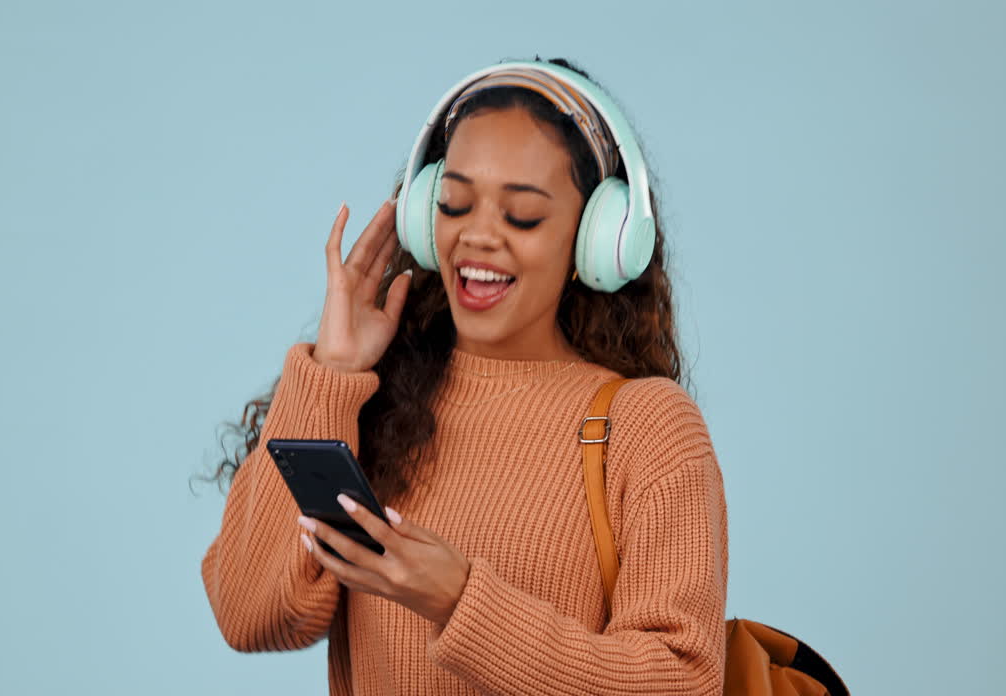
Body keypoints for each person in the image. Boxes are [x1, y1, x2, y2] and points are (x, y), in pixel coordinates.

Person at [200, 56, 729, 695]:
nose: (477, 236)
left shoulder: (646, 427)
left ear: (596, 241)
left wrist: (459, 601)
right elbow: (249, 614)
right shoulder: (375, 398)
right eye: (453, 204)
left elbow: (681, 682)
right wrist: (331, 373)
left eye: (523, 216)